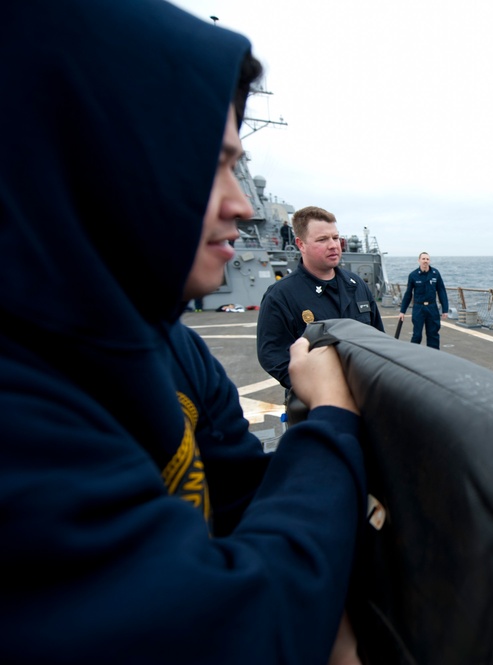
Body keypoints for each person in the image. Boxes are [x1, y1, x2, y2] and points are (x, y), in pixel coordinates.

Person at [1, 2, 365, 662]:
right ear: (103, 155)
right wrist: (332, 415)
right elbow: (239, 631)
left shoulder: (173, 346)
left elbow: (243, 500)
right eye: (212, 164)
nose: (243, 204)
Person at [257, 205, 385, 391]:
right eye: (322, 239)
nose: (333, 245)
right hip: (319, 402)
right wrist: (314, 389)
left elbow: (377, 337)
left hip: (365, 392)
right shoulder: (281, 295)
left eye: (335, 237)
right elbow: (272, 355)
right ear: (301, 244)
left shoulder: (357, 285)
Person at [398, 251, 449, 349]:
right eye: (423, 259)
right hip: (418, 308)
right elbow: (408, 294)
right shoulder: (413, 275)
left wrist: (445, 309)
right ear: (419, 261)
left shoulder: (435, 273)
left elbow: (441, 291)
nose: (425, 261)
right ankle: (413, 356)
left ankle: (433, 357)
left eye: (427, 259)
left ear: (429, 261)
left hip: (432, 308)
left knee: (433, 335)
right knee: (417, 335)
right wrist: (402, 311)